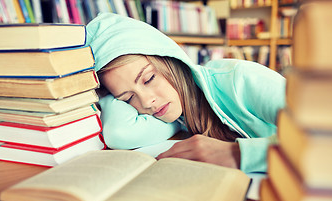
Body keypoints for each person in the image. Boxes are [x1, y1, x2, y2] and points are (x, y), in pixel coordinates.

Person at [85, 12, 286, 173]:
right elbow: (118, 133)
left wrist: (237, 154)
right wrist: (104, 95)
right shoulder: (177, 115)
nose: (146, 102)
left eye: (149, 79)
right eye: (128, 98)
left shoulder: (239, 78)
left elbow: (317, 136)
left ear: (170, 59)